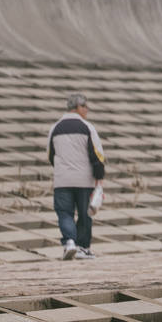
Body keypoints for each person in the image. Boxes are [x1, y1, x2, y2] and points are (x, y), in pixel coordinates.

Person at [48, 97, 107, 259]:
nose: (87, 109)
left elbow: (50, 155)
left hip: (62, 180)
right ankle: (82, 248)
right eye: (85, 106)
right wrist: (99, 179)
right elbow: (97, 156)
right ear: (76, 108)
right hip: (84, 179)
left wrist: (62, 170)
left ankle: (69, 242)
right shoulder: (87, 127)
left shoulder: (55, 128)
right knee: (84, 214)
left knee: (64, 213)